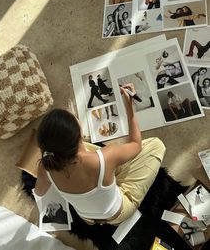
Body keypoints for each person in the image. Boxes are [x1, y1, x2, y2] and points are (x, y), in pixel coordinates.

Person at [35, 84, 166, 225]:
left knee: (92, 155)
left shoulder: (44, 167)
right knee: (156, 144)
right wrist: (129, 107)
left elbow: (39, 192)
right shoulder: (105, 157)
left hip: (87, 218)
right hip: (117, 214)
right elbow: (136, 144)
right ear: (79, 135)